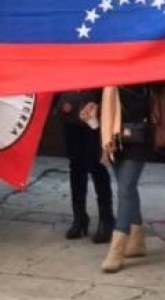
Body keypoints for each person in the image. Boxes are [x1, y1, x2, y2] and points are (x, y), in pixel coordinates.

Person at [99, 84, 152, 273]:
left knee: (126, 187)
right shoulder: (107, 71)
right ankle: (137, 241)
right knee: (126, 187)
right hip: (112, 137)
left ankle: (117, 248)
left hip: (138, 136)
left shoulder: (144, 71)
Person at [55, 89, 115, 243]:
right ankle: (79, 217)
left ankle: (106, 219)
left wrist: (100, 104)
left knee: (96, 165)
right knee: (76, 165)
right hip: (70, 111)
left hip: (95, 110)